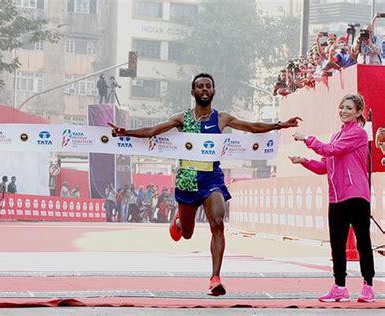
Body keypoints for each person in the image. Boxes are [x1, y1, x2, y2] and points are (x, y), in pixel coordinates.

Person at [108, 73, 302, 296]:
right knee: (187, 234)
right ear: (193, 92)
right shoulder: (182, 118)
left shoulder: (222, 118)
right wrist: (126, 132)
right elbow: (152, 131)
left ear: (213, 91)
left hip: (212, 179)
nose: (204, 89)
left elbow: (252, 127)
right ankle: (180, 221)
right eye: (199, 86)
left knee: (218, 222)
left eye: (208, 86)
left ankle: (215, 278)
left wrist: (280, 125)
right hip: (188, 180)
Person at [290, 94, 375, 303]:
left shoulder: (359, 134)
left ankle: (368, 287)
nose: (343, 111)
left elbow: (332, 150)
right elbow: (325, 165)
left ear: (357, 113)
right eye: (341, 107)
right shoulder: (337, 135)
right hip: (336, 197)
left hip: (356, 195)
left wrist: (306, 139)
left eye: (348, 108)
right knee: (337, 244)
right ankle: (340, 287)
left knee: (363, 242)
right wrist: (303, 161)